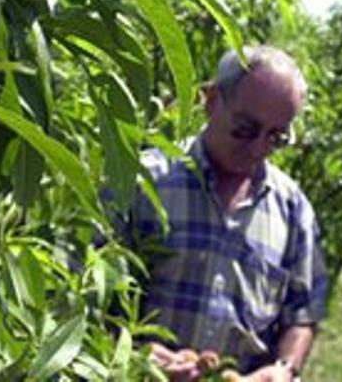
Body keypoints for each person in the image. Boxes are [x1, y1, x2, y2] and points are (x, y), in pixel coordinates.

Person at [122, 46, 327, 381]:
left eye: (277, 137)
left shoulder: (292, 208)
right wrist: (132, 353)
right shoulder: (143, 182)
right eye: (245, 129)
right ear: (212, 100)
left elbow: (302, 314)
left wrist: (284, 369)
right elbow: (82, 296)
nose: (260, 148)